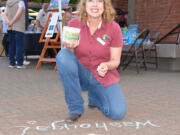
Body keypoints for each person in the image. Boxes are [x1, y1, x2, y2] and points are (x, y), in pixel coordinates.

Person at [56, 0, 127, 122]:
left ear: (105, 5)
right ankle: (75, 108)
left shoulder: (114, 27)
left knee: (117, 113)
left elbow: (115, 61)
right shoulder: (74, 24)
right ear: (84, 4)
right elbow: (67, 59)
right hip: (82, 74)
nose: (95, 5)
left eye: (99, 1)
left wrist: (107, 65)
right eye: (90, 1)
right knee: (63, 55)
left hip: (102, 76)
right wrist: (69, 46)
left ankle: (95, 97)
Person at [4, 0, 26, 68]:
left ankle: (11, 63)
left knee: (11, 45)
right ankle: (19, 64)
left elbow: (5, 14)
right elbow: (18, 14)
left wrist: (8, 22)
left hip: (10, 27)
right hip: (19, 27)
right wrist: (12, 22)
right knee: (19, 46)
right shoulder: (20, 2)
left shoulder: (8, 2)